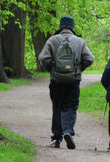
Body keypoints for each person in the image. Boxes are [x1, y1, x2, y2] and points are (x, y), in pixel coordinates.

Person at [37, 15, 95, 149]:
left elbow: (43, 58)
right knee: (70, 107)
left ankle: (56, 139)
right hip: (73, 80)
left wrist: (51, 68)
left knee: (57, 107)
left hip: (56, 80)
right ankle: (68, 131)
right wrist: (79, 69)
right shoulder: (80, 42)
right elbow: (90, 59)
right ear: (72, 27)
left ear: (60, 26)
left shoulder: (52, 40)